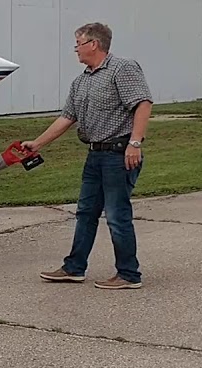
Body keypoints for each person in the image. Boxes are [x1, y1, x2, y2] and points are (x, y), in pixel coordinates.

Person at [21, 22, 153, 290]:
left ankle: (128, 274)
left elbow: (143, 103)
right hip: (94, 155)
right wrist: (37, 143)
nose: (76, 50)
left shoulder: (122, 68)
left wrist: (135, 143)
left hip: (119, 154)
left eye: (78, 44)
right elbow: (67, 117)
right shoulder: (81, 81)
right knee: (85, 212)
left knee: (117, 215)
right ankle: (74, 268)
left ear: (93, 44)